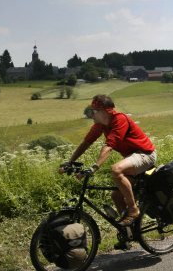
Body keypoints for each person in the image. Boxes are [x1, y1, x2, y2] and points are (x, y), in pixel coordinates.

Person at [63, 94, 156, 227]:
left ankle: (133, 210)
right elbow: (86, 143)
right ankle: (129, 231)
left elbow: (109, 146)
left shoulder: (120, 119)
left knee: (116, 170)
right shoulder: (100, 125)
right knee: (116, 196)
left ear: (105, 112)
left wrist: (95, 166)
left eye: (94, 111)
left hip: (145, 154)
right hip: (132, 158)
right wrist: (70, 162)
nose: (91, 115)